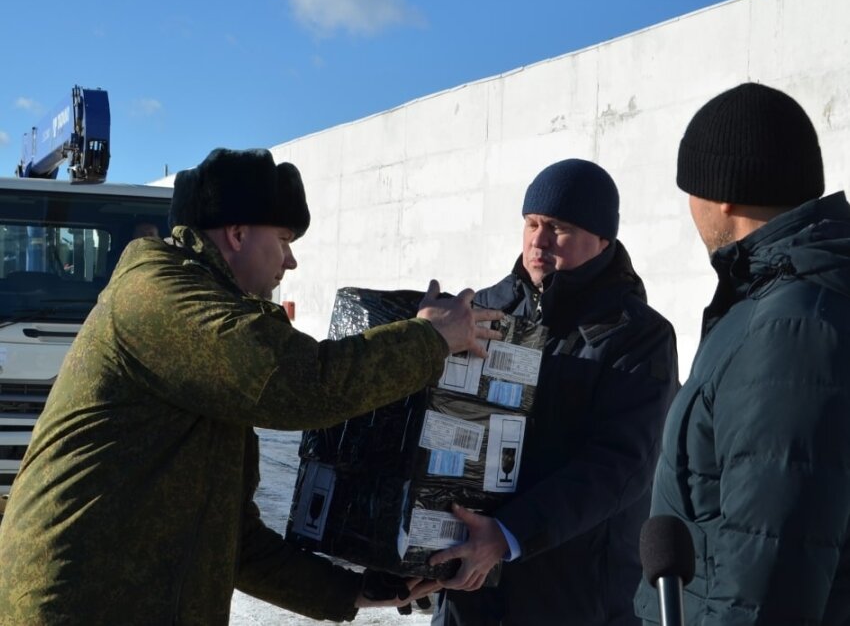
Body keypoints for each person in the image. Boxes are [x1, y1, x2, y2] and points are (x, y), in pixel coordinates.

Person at [0, 147, 503, 625]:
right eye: (283, 240)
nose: (290, 261)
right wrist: (430, 337)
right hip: (81, 603)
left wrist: (353, 591)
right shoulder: (159, 296)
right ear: (238, 233)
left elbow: (233, 538)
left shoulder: (210, 334)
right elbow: (301, 384)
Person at [633, 83, 850, 625]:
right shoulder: (775, 299)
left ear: (723, 195)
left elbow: (772, 562)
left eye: (691, 189)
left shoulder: (788, 328)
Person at [430, 158, 680, 625]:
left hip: (575, 597)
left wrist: (507, 535)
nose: (538, 241)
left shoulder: (639, 336)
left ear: (602, 239)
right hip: (469, 595)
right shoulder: (482, 311)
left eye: (558, 229)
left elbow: (618, 466)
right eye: (532, 224)